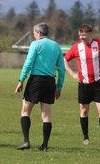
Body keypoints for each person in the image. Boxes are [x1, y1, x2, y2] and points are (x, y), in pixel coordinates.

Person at [14, 23, 65, 152]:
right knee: (46, 115)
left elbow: (28, 63)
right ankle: (45, 145)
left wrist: (21, 80)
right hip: (49, 82)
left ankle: (26, 141)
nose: (34, 35)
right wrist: (58, 87)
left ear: (38, 33)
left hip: (36, 80)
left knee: (25, 111)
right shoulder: (56, 46)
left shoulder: (35, 44)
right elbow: (61, 70)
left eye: (34, 33)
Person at [64, 24, 100, 147]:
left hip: (98, 84)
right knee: (84, 110)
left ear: (90, 34)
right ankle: (86, 137)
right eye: (79, 35)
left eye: (83, 34)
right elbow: (65, 60)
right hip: (84, 84)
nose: (81, 37)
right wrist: (72, 74)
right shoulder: (76, 47)